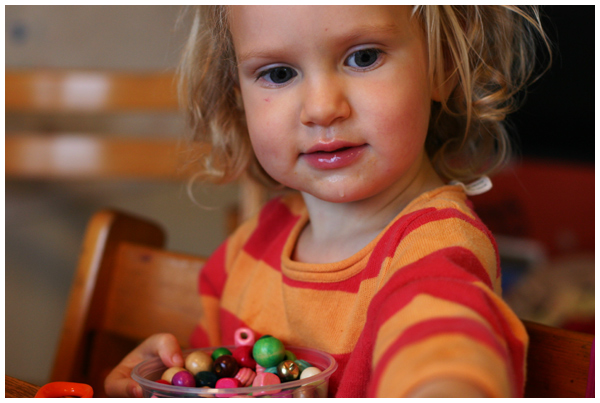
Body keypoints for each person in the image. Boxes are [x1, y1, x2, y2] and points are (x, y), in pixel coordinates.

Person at [105, 5, 549, 397]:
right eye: (279, 73)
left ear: (444, 64)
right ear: (238, 95)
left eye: (363, 57)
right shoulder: (247, 250)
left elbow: (445, 355)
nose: (321, 108)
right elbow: (217, 377)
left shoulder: (436, 248)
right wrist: (172, 377)